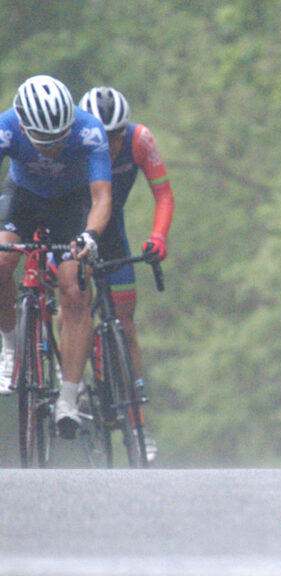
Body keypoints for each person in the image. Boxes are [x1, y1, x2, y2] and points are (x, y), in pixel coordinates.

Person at [0, 75, 112, 438]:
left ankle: (68, 399)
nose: (54, 147)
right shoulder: (6, 128)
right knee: (1, 263)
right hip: (24, 197)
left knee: (75, 291)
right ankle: (11, 343)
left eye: (61, 137)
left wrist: (90, 236)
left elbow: (101, 198)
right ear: (24, 125)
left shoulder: (89, 130)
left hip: (71, 204)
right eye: (45, 141)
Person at [79, 86, 174, 461]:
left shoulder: (140, 140)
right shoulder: (73, 143)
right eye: (104, 138)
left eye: (117, 136)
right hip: (73, 224)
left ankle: (138, 419)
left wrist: (157, 237)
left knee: (126, 324)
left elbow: (163, 195)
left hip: (112, 233)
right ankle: (73, 384)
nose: (112, 145)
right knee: (74, 305)